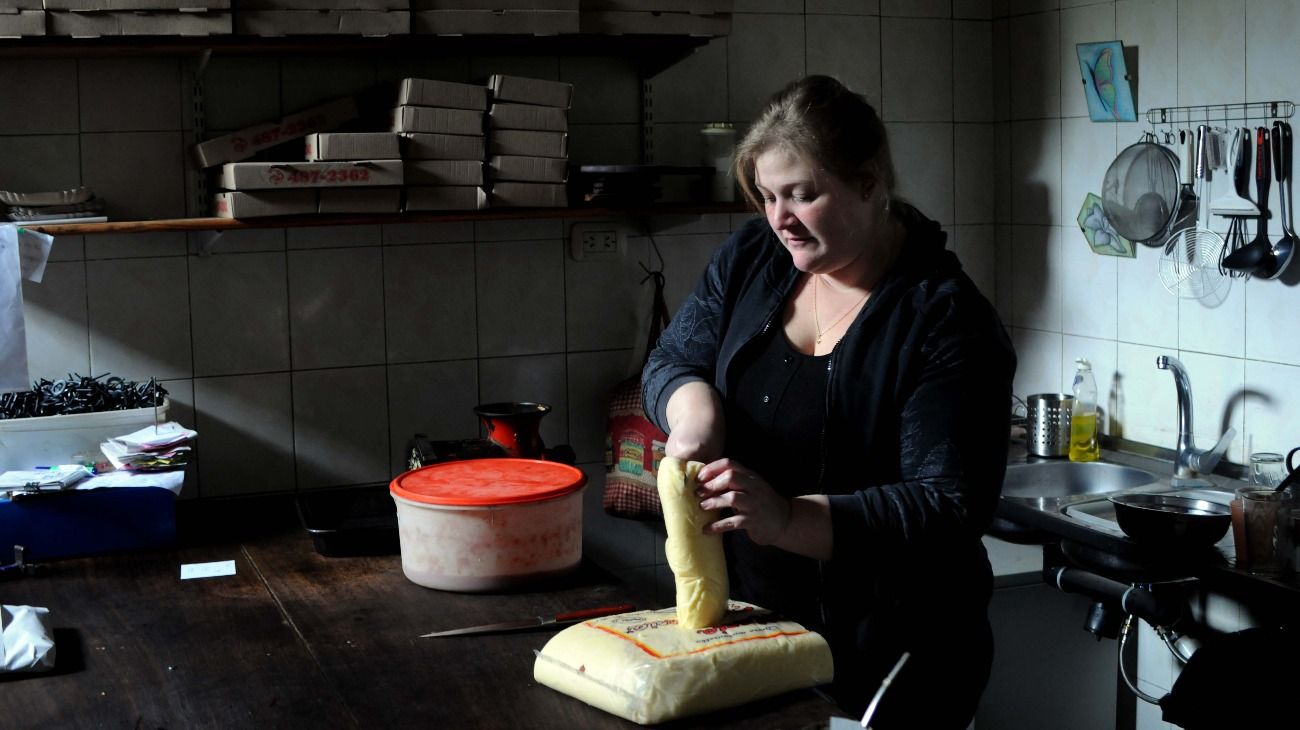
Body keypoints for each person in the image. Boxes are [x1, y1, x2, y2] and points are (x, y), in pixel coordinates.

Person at [641, 75, 1016, 729]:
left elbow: (947, 507)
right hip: (759, 635)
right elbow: (673, 361)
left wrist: (785, 519)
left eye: (802, 195)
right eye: (766, 196)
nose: (779, 219)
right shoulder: (756, 258)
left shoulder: (945, 320)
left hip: (894, 656)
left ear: (869, 183)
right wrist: (696, 418)